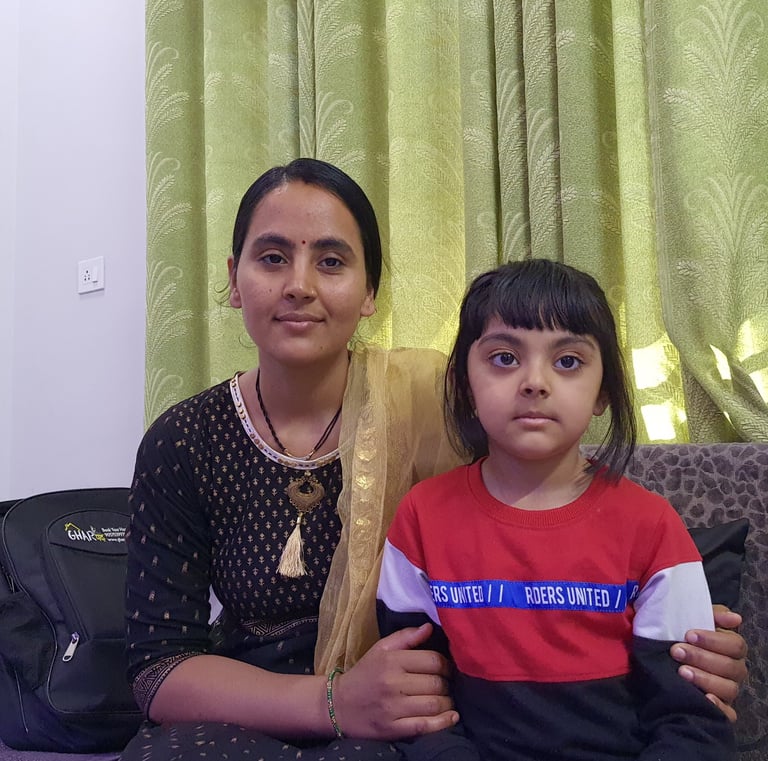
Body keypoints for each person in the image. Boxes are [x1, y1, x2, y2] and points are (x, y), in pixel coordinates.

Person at [122, 159, 746, 761]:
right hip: (254, 708)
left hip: (407, 715)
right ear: (235, 279)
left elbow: (547, 509)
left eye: (331, 261)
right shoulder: (186, 440)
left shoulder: (436, 400)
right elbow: (157, 669)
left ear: (370, 290)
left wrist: (689, 632)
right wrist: (336, 702)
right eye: (273, 257)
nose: (300, 285)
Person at [376, 259, 738, 760]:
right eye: (504, 357)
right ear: (464, 384)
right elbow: (416, 704)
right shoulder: (422, 517)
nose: (535, 382)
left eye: (567, 361)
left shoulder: (652, 525)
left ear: (604, 391)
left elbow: (693, 721)